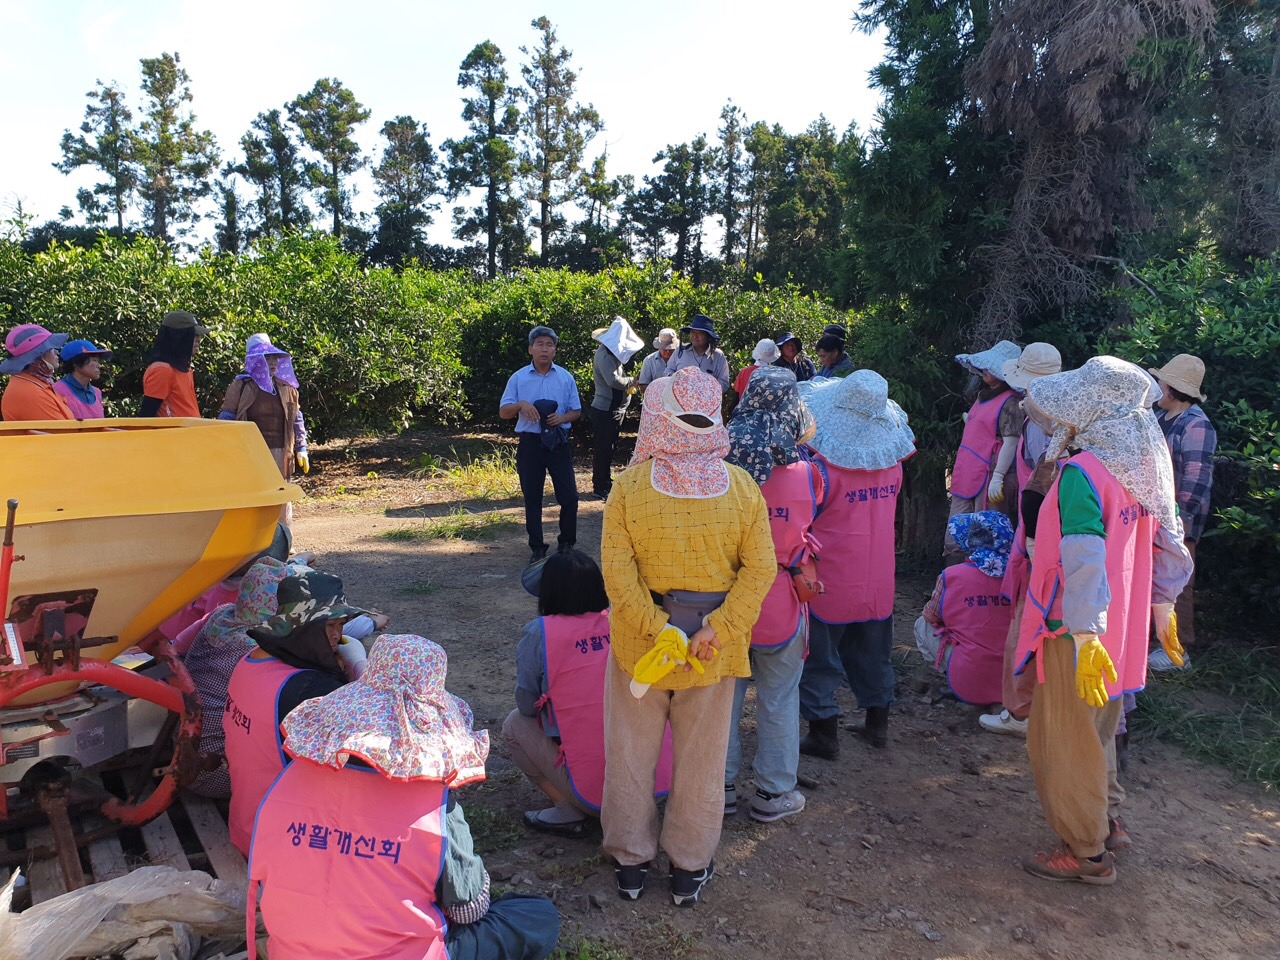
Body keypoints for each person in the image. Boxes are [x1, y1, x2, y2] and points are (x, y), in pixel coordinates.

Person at [249, 634, 560, 960]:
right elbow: (469, 909)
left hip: (294, 950)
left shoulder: (288, 779)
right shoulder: (435, 806)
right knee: (536, 915)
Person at [1013, 356, 1192, 885]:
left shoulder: (1084, 473)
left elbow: (1084, 554)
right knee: (1101, 728)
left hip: (1078, 629)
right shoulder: (1146, 467)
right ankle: (1108, 821)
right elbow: (1169, 539)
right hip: (1124, 626)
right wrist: (1164, 605)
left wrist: (1085, 632)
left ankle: (1085, 851)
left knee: (1066, 738)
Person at [601, 368, 774, 906]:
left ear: (656, 416)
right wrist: (717, 627)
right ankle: (689, 868)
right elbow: (761, 569)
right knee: (703, 760)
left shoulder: (628, 489)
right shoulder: (742, 489)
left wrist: (661, 630)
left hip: (641, 647)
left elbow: (617, 575)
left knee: (630, 755)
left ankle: (631, 863)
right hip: (712, 652)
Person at [503, 548, 673, 839]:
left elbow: (527, 705)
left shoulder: (539, 632)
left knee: (514, 723)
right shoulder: (624, 622)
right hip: (653, 786)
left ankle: (568, 809)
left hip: (595, 793)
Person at [797, 370, 915, 756]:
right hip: (877, 575)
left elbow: (806, 518)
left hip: (829, 577)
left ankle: (823, 731)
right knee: (874, 651)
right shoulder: (892, 465)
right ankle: (877, 724)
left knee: (819, 655)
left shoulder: (821, 470)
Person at [724, 366, 819, 822]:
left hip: (724, 600)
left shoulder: (719, 469)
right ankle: (773, 792)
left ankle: (718, 788)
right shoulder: (808, 473)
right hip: (781, 596)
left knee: (723, 700)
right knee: (779, 699)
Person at [223, 570, 372, 855]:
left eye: (340, 625)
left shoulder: (249, 660)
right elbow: (376, 738)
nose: (337, 636)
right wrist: (359, 668)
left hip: (246, 826)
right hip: (284, 848)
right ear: (303, 628)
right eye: (328, 626)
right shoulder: (308, 689)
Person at [980, 342, 1063, 737]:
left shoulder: (1037, 420)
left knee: (1028, 620)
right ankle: (1044, 707)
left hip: (1040, 534)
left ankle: (1019, 710)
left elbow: (1038, 487)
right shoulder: (1068, 416)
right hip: (1058, 532)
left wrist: (1030, 540)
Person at [1148, 353, 1216, 663]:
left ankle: (1177, 652)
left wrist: (1179, 520)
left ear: (1172, 390)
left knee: (1178, 584)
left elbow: (1197, 478)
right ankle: (1157, 642)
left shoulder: (1196, 424)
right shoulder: (1160, 418)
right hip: (1155, 514)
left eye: (1161, 383)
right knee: (1158, 579)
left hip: (1179, 519)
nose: (1157, 387)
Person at [499, 326, 582, 562]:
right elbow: (504, 412)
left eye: (549, 345)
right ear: (530, 349)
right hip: (531, 443)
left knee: (569, 496)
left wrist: (562, 418)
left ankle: (566, 543)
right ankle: (537, 547)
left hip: (558, 441)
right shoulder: (518, 378)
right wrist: (520, 405)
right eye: (540, 344)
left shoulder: (565, 377)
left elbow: (576, 410)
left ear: (555, 350)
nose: (544, 349)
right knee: (532, 497)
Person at [914, 511, 1015, 705]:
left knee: (922, 625)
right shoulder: (1024, 574)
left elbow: (931, 616)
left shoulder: (951, 575)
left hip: (969, 672)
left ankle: (953, 675)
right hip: (1016, 673)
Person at [947, 340, 1023, 558]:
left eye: (991, 367)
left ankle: (980, 578)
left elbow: (1011, 442)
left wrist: (998, 476)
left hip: (990, 474)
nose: (985, 371)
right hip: (967, 470)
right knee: (955, 533)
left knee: (985, 536)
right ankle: (954, 576)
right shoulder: (983, 397)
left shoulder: (1011, 402)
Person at [218, 333, 310, 480]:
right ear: (255, 360)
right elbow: (227, 417)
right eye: (267, 358)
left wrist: (301, 447)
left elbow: (296, 417)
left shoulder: (286, 387)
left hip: (281, 453)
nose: (273, 362)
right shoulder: (241, 386)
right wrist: (226, 447)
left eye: (274, 358)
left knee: (281, 492)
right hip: (251, 452)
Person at [588, 317, 643, 500]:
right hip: (606, 410)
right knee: (603, 449)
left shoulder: (611, 353)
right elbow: (613, 381)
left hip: (613, 410)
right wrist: (632, 381)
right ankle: (600, 486)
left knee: (608, 448)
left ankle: (605, 482)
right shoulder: (604, 355)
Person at [140, 310, 208, 417]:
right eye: (193, 334)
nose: (199, 339)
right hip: (174, 428)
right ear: (178, 337)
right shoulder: (162, 370)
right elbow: (146, 417)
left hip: (190, 428)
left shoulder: (185, 369)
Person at [0, 323, 74, 421]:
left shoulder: (35, 383)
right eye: (51, 348)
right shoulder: (29, 392)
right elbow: (61, 429)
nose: (56, 352)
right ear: (39, 355)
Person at [664, 314, 731, 391]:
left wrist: (707, 386)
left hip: (706, 397)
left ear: (708, 336)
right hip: (680, 396)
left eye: (700, 333)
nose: (695, 336)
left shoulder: (718, 356)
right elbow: (667, 371)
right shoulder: (680, 352)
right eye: (693, 332)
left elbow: (724, 383)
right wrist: (678, 379)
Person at [52, 340, 111, 419]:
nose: (99, 365)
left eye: (98, 361)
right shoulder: (57, 391)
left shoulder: (97, 393)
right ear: (76, 363)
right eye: (94, 360)